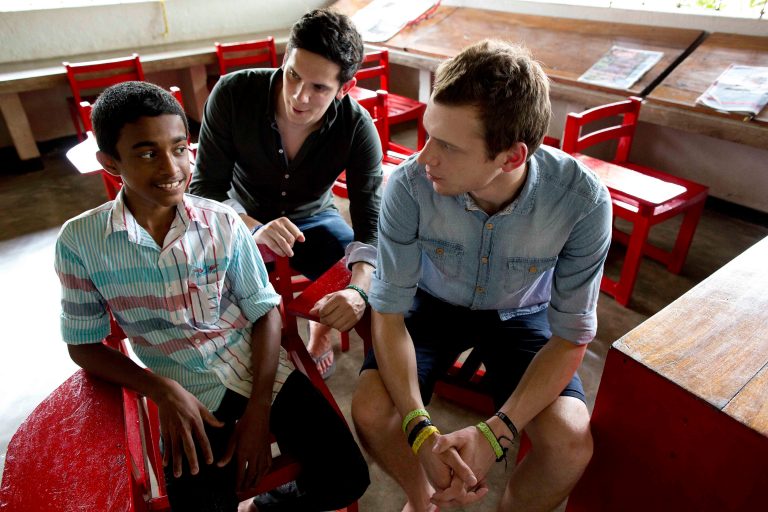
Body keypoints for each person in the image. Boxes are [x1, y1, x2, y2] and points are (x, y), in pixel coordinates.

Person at [54, 81, 368, 512]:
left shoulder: (222, 221)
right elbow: (83, 345)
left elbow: (265, 312)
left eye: (179, 148)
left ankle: (267, 506)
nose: (171, 167)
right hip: (185, 390)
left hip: (259, 370)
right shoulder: (81, 241)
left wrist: (259, 409)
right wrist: (161, 390)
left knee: (348, 478)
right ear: (110, 162)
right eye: (147, 154)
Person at [351, 40, 612, 512]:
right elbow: (388, 314)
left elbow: (571, 335)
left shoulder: (582, 201)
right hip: (432, 301)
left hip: (522, 311)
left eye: (448, 146)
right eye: (428, 134)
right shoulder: (407, 186)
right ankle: (425, 500)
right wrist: (420, 430)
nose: (424, 157)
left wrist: (497, 434)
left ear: (511, 157)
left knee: (570, 442)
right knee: (371, 409)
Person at [190, 8, 381, 379]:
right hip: (237, 214)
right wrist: (252, 226)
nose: (298, 96)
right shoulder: (233, 93)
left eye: (319, 88)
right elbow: (204, 190)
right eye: (293, 75)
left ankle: (320, 331)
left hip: (314, 217)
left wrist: (358, 291)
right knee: (201, 295)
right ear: (284, 59)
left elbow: (371, 226)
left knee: (372, 290)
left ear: (345, 88)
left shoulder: (357, 127)